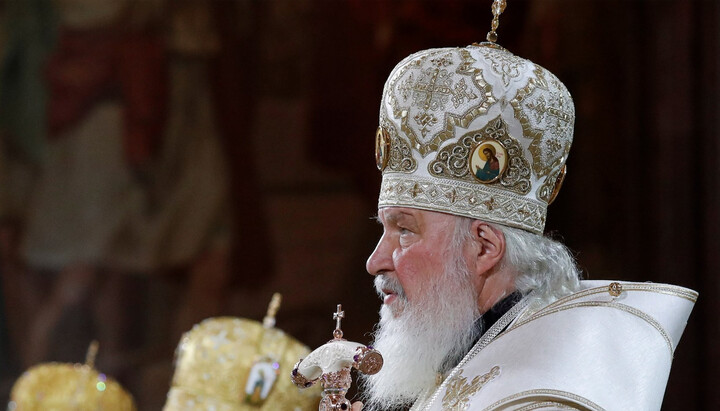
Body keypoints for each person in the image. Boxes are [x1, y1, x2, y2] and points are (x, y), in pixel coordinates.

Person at [352, 22, 697, 411]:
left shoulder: (544, 396)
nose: (375, 261)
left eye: (405, 230)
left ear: (484, 247)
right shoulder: (469, 361)